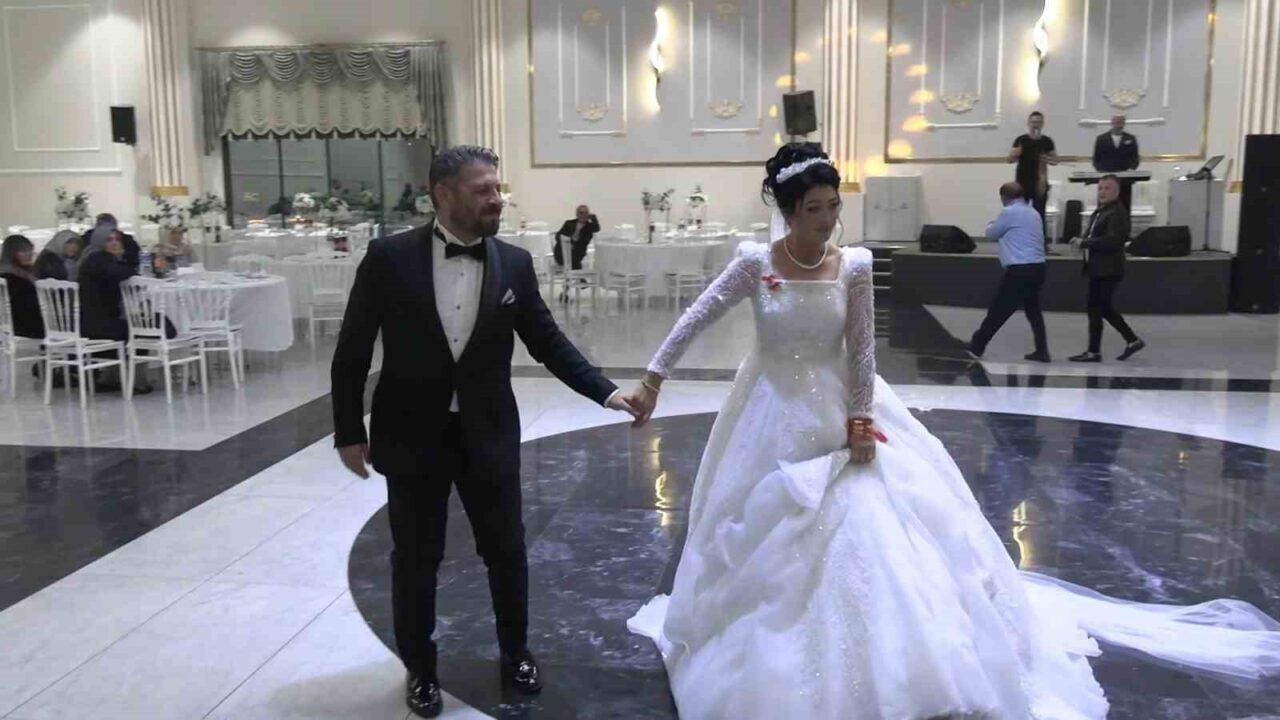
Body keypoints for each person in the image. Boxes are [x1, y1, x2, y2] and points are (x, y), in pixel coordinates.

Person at [623, 144, 1278, 718]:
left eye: (833, 206)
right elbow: (696, 317)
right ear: (789, 211)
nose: (826, 219)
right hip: (768, 407)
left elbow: (862, 353)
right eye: (814, 208)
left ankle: (897, 656)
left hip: (837, 405)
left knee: (866, 518)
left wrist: (859, 420)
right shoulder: (753, 262)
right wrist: (653, 377)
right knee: (755, 525)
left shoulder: (853, 266)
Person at [330, 145, 641, 718]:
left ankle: (515, 652)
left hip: (488, 432)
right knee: (415, 558)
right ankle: (420, 667)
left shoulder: (513, 264)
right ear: (442, 195)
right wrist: (348, 429)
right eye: (482, 191)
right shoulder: (388, 258)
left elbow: (547, 341)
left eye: (497, 188)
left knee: (506, 550)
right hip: (411, 432)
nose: (496, 199)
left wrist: (606, 391)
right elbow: (353, 346)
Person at [966, 182, 1050, 362]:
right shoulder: (1034, 213)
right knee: (1033, 310)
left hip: (1019, 270)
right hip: (1038, 268)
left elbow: (991, 234)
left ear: (1004, 198)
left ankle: (977, 346)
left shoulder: (1009, 212)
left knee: (999, 309)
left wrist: (991, 223)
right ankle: (1042, 350)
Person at [1068, 174, 1145, 362]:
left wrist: (1085, 242)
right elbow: (1094, 235)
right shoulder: (1101, 211)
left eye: (1107, 188)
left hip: (1108, 268)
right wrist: (1081, 241)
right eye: (1100, 188)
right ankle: (1126, 342)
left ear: (1117, 191)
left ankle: (1100, 349)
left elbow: (1113, 240)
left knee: (1099, 307)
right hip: (1097, 267)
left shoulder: (1116, 213)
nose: (1102, 192)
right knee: (1098, 308)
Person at [1008, 111, 1059, 243]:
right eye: (1033, 122)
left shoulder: (1047, 141)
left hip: (1040, 182)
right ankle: (1020, 241)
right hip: (1022, 182)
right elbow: (1010, 160)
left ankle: (1040, 243)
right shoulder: (1021, 140)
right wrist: (1015, 154)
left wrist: (1047, 158)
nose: (1035, 124)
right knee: (1020, 213)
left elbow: (1055, 161)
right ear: (1028, 123)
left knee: (1039, 214)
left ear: (1042, 124)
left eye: (1038, 122)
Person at [1092, 115, 1141, 212]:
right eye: (1116, 121)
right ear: (1112, 122)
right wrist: (1102, 172)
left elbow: (1135, 158)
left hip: (1125, 180)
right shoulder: (1101, 139)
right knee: (1104, 207)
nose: (1118, 124)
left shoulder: (1130, 138)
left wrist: (1130, 170)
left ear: (1124, 123)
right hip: (1106, 180)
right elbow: (1096, 159)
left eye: (1121, 122)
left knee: (1124, 206)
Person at [0, 235, 44, 339]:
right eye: (23, 251)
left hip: (10, 329)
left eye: (30, 251)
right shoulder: (12, 278)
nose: (28, 254)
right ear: (12, 253)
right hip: (24, 328)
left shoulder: (22, 273)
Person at [552, 204, 600, 272]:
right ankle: (576, 274)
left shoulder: (589, 227)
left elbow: (597, 229)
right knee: (565, 248)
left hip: (578, 253)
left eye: (586, 213)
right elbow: (558, 236)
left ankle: (576, 274)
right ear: (577, 214)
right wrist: (568, 243)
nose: (583, 215)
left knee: (575, 256)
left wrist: (593, 218)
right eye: (581, 213)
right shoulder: (569, 223)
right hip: (563, 252)